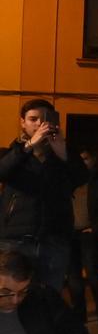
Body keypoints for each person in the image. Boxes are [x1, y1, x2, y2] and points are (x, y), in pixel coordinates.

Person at [0, 99, 88, 293]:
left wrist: (62, 152)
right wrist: (28, 146)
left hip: (54, 238)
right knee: (12, 296)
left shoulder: (65, 154)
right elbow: (2, 171)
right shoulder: (11, 152)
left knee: (49, 297)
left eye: (45, 119)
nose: (39, 124)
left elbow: (82, 177)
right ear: (22, 122)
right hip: (16, 239)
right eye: (33, 119)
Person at [66, 149, 98, 327]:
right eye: (79, 159)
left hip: (89, 235)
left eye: (86, 159)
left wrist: (96, 229)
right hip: (70, 234)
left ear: (94, 159)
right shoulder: (70, 179)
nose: (83, 163)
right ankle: (79, 318)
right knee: (73, 278)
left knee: (94, 275)